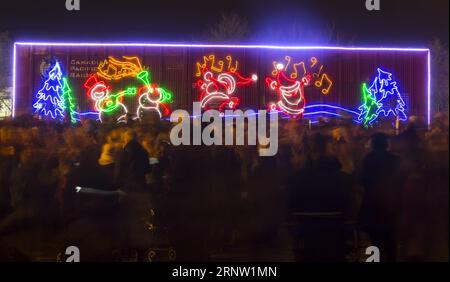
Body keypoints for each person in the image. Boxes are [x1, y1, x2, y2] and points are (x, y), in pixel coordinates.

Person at [359, 133, 400, 262]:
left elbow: (362, 181)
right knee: (391, 242)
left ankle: (375, 260)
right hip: (391, 205)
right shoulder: (395, 159)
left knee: (375, 242)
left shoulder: (368, 159)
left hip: (373, 206)